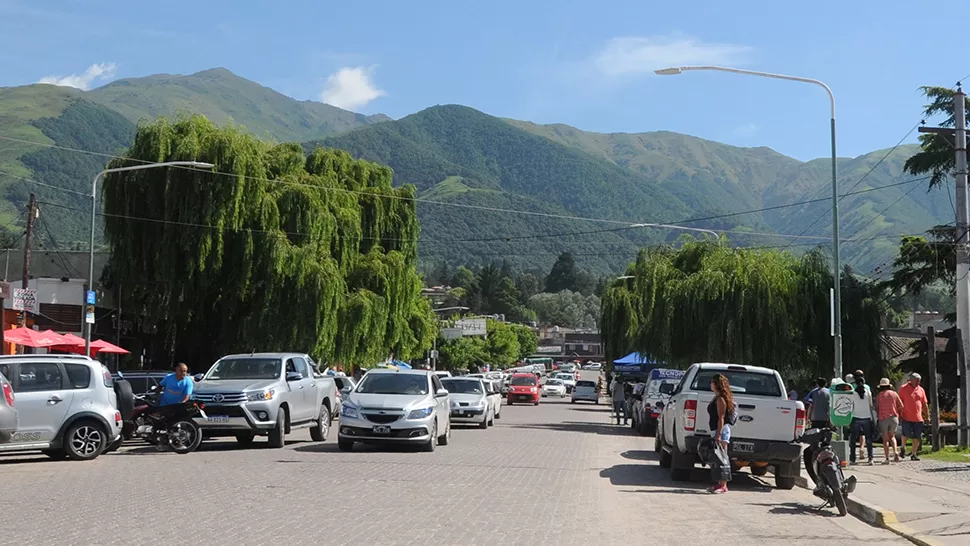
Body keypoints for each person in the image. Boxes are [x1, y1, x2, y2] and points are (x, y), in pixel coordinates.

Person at [708, 373, 734, 494]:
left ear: (716, 384)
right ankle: (720, 483)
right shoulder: (716, 397)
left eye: (712, 382)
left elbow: (721, 417)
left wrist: (718, 434)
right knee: (718, 457)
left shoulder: (720, 399)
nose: (710, 384)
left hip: (722, 430)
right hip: (717, 430)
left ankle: (723, 485)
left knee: (722, 457)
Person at [899, 373, 930, 461]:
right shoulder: (903, 388)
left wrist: (927, 416)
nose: (918, 382)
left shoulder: (921, 390)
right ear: (911, 380)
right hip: (906, 416)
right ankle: (903, 447)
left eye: (919, 381)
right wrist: (899, 414)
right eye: (917, 381)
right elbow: (899, 402)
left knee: (917, 436)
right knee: (906, 434)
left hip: (918, 417)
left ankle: (914, 453)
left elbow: (924, 404)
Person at [875, 378, 904, 464]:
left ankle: (887, 458)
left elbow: (877, 407)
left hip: (883, 418)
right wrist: (896, 411)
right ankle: (895, 451)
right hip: (894, 418)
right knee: (892, 436)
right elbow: (901, 405)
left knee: (885, 439)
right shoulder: (894, 394)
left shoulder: (880, 395)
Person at [849, 372, 874, 465]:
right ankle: (870, 458)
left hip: (856, 417)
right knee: (869, 439)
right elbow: (871, 405)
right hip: (867, 417)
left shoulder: (853, 392)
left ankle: (852, 458)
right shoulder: (868, 392)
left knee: (853, 439)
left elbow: (851, 405)